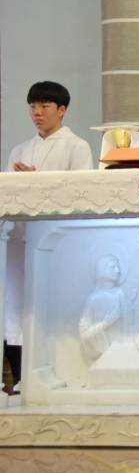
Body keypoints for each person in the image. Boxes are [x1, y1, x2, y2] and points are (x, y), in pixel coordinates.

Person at [3, 81, 93, 390]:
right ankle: (18, 378)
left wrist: (38, 181)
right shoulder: (19, 150)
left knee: (51, 309)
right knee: (16, 308)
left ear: (62, 110)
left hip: (56, 242)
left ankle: (59, 371)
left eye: (44, 106)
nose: (37, 113)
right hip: (19, 238)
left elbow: (82, 195)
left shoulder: (77, 146)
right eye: (32, 106)